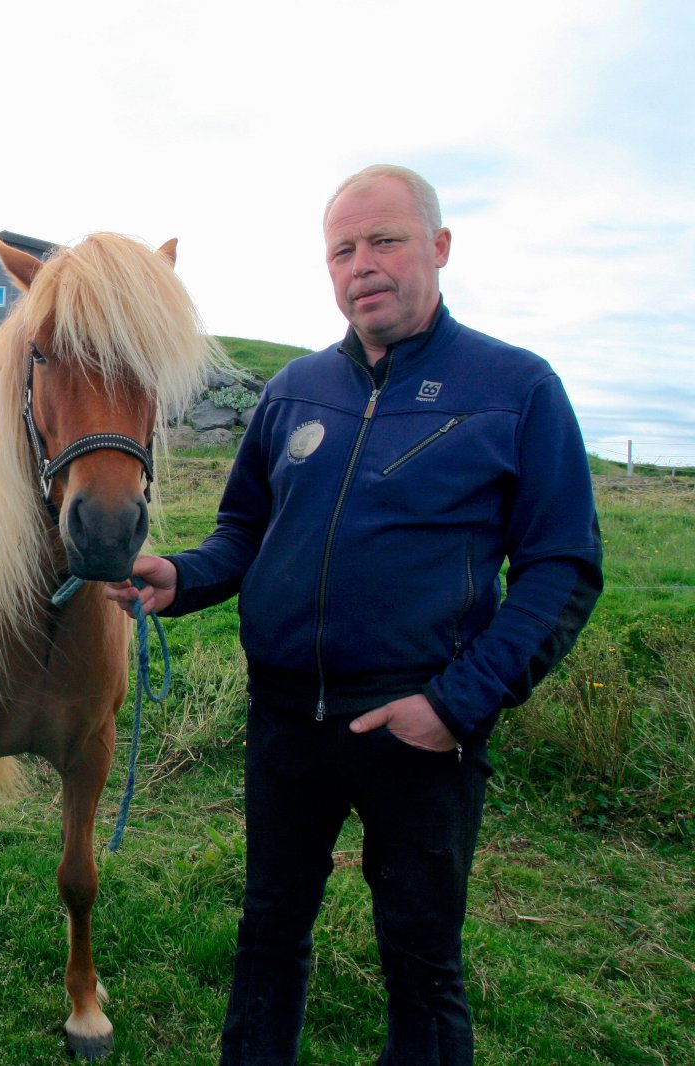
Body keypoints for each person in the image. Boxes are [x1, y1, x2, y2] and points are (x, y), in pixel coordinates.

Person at [107, 164, 602, 1064]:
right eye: (344, 249)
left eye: (386, 240)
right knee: (268, 933)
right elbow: (246, 532)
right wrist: (182, 576)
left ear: (439, 248)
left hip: (417, 729)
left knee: (422, 960)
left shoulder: (515, 388)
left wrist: (456, 706)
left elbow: (561, 568)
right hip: (288, 720)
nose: (363, 264)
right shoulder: (296, 389)